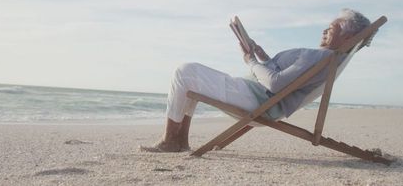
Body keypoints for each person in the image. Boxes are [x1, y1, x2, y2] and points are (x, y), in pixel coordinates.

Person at [140, 8, 371, 152]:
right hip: (264, 103)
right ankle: (179, 141)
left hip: (257, 99)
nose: (324, 31)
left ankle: (171, 139)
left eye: (331, 28)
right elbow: (288, 82)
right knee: (190, 79)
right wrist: (262, 56)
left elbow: (276, 84)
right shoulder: (330, 59)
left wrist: (250, 61)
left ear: (348, 37)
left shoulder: (320, 56)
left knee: (185, 71)